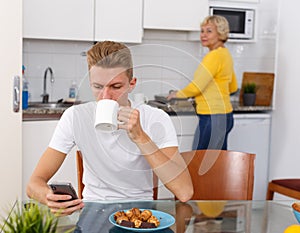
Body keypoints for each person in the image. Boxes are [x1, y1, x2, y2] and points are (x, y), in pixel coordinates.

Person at [26, 41, 193, 215]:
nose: (106, 97)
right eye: (97, 87)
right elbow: (33, 184)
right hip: (93, 211)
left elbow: (184, 191)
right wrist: (48, 197)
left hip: (139, 213)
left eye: (116, 87)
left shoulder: (155, 118)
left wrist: (140, 137)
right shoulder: (75, 117)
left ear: (132, 83)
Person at [168, 15, 238, 150]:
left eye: (209, 31)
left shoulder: (213, 56)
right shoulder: (225, 54)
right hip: (225, 115)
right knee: (217, 162)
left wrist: (177, 94)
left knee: (200, 161)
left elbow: (197, 87)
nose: (203, 35)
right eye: (202, 31)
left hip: (213, 116)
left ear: (220, 33)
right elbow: (233, 86)